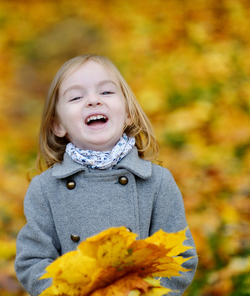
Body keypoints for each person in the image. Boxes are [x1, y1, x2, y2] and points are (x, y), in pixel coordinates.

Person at [15, 54, 198, 295]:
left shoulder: (157, 182)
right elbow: (33, 261)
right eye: (76, 97)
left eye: (106, 92)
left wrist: (143, 291)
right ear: (58, 125)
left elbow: (180, 257)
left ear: (129, 114)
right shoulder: (45, 189)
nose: (93, 101)